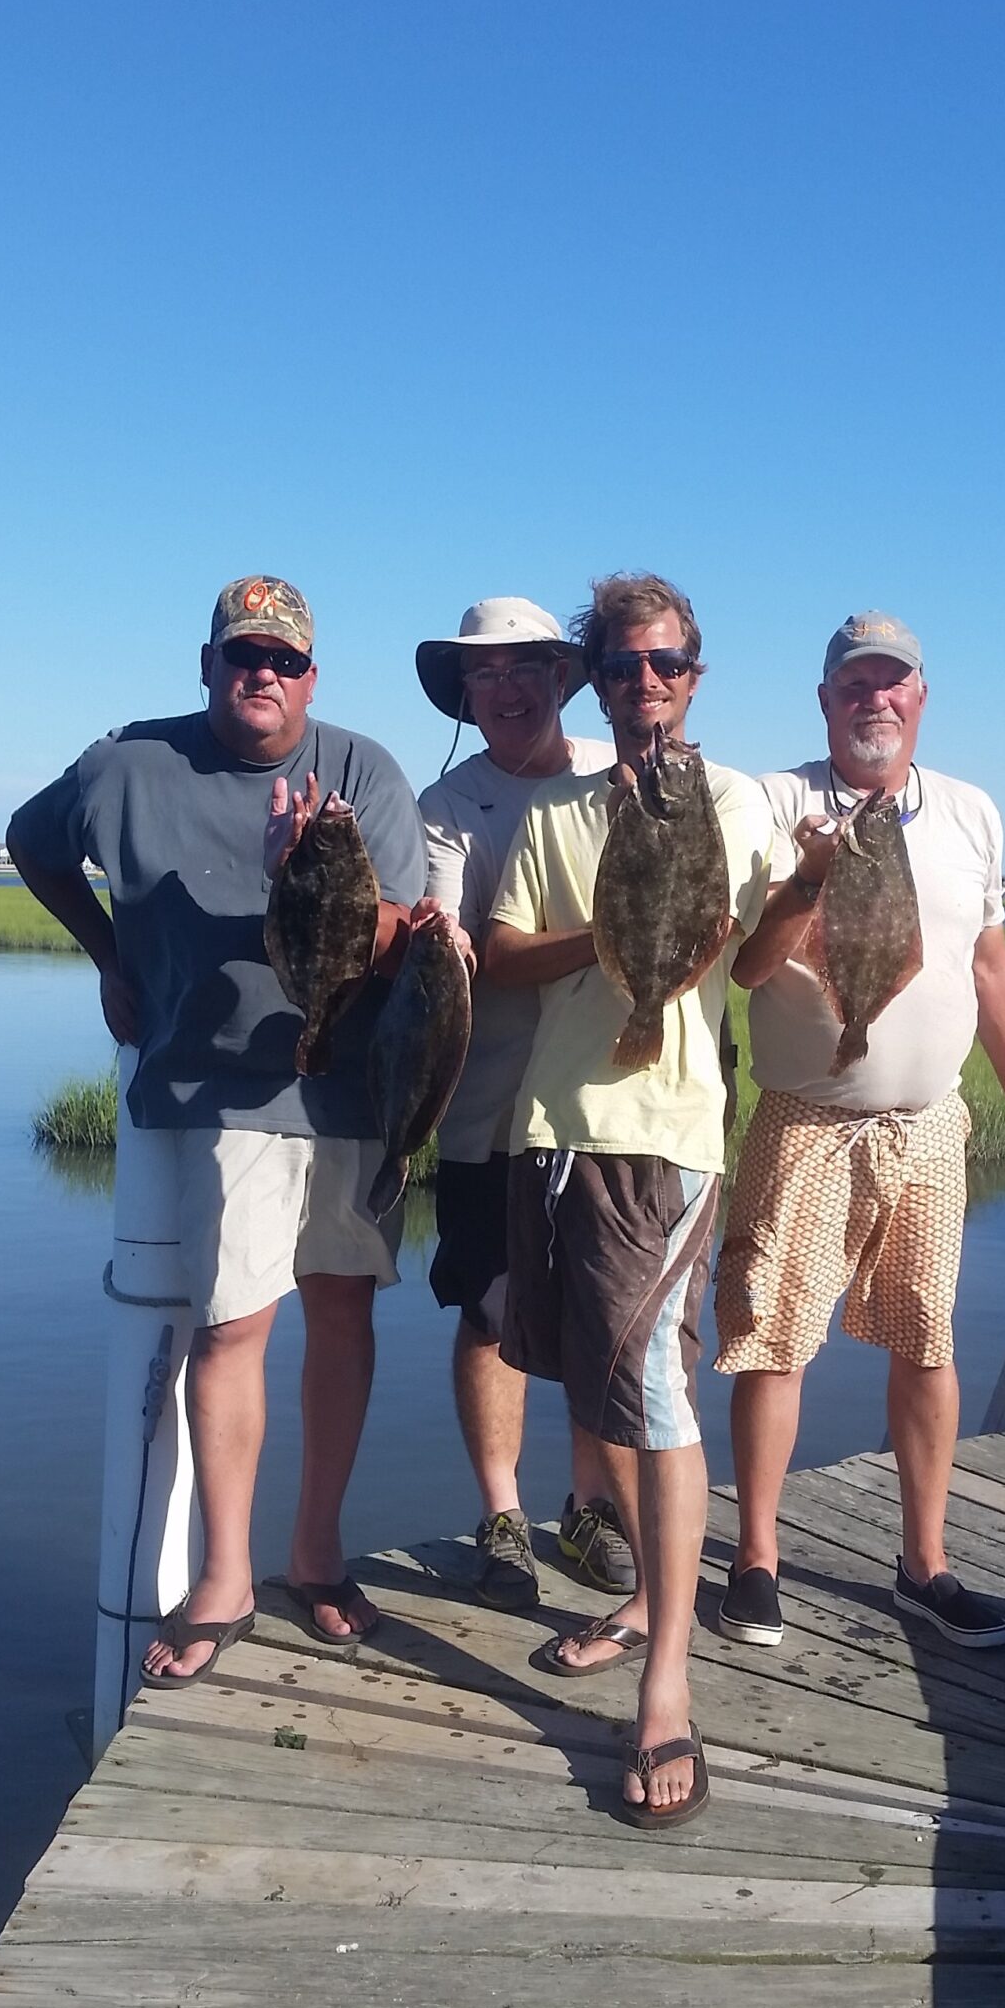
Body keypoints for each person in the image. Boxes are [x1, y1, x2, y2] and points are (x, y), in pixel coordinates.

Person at [7, 576, 428, 1683]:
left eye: (285, 660)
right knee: (233, 1325)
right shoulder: (127, 766)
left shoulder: (361, 772)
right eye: (245, 655)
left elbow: (400, 942)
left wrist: (319, 876)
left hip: (347, 1083)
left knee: (343, 1313)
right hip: (222, 1095)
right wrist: (109, 956)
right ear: (208, 665)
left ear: (310, 678)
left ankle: (317, 1552)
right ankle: (226, 1575)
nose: (264, 674)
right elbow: (29, 841)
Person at [483, 573, 779, 1827]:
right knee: (593, 1375)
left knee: (657, 1384)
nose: (644, 683)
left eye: (665, 663)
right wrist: (606, 941)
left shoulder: (736, 799)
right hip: (552, 1128)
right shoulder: (556, 811)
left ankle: (669, 1685)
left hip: (663, 1134)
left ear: (695, 674)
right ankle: (649, 1597)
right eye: (621, 665)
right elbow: (500, 959)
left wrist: (810, 890)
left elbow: (755, 953)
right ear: (595, 681)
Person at [715, 610, 1005, 1652]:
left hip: (929, 1126)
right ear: (824, 700)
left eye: (893, 683)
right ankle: (757, 1559)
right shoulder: (777, 803)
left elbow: (989, 968)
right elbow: (750, 966)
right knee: (775, 1342)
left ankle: (925, 1561)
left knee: (927, 1339)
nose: (875, 699)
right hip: (805, 1122)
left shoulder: (971, 813)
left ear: (920, 698)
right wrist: (810, 878)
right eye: (854, 684)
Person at [415, 600, 619, 1612]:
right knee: (491, 1312)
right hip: (488, 1105)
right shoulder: (448, 804)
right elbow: (457, 938)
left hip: (602, 1106)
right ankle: (502, 1515)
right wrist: (441, 941)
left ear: (560, 676)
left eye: (522, 669)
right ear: (464, 694)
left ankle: (586, 1505)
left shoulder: (612, 777)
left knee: (595, 1311)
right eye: (481, 676)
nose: (503, 690)